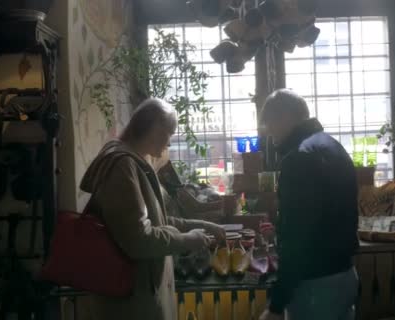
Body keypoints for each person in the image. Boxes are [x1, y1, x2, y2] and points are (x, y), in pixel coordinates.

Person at [79, 98, 225, 320]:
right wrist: (187, 240)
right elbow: (139, 239)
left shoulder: (134, 161)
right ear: (155, 129)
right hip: (131, 302)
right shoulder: (122, 166)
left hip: (140, 294)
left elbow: (159, 220)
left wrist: (201, 225)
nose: (168, 144)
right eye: (169, 133)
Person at [259, 89, 359, 320]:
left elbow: (298, 241)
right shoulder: (333, 146)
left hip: (315, 285)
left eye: (270, 124)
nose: (269, 134)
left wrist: (276, 305)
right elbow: (324, 217)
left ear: (285, 118)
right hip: (344, 275)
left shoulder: (299, 158)